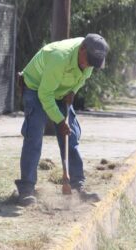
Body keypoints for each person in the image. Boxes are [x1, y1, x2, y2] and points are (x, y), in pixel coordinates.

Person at [15, 34, 109, 206]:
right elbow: (45, 93)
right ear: (82, 49)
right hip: (37, 88)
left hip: (60, 91)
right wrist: (59, 120)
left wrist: (72, 91)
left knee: (71, 138)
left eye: (93, 64)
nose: (89, 66)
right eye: (88, 61)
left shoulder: (89, 59)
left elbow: (82, 77)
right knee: (34, 136)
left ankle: (77, 187)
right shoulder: (60, 57)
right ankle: (26, 189)